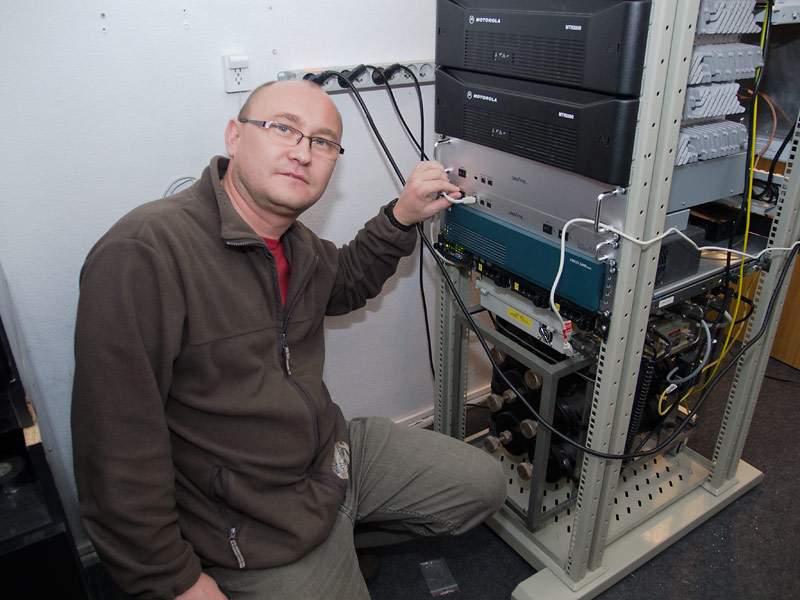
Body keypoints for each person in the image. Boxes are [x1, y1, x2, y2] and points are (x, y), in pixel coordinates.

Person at [71, 79, 506, 600]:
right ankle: (311, 556)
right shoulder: (144, 253)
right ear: (235, 137)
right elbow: (114, 448)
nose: (303, 152)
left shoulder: (294, 244)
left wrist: (402, 214)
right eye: (283, 128)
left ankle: (337, 535)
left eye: (323, 142)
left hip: (328, 456)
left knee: (484, 487)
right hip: (245, 515)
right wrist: (173, 580)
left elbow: (343, 282)